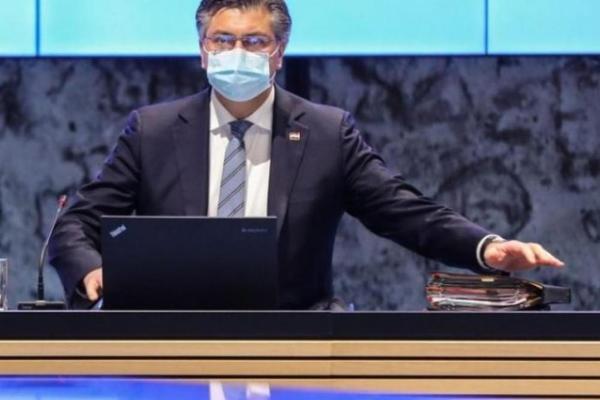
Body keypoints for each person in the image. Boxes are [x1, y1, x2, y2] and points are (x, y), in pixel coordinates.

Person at [48, 0, 563, 309]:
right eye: (222, 40)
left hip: (295, 340)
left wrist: (487, 248)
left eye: (255, 41)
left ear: (279, 53)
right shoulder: (154, 131)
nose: (236, 52)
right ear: (203, 50)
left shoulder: (325, 132)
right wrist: (92, 272)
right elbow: (76, 225)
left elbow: (404, 211)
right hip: (172, 340)